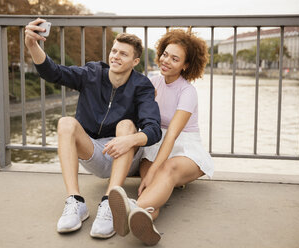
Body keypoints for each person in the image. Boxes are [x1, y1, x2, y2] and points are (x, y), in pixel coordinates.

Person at [24, 18, 161, 239]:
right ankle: (75, 202)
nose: (116, 56)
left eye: (123, 54)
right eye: (114, 51)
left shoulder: (142, 85)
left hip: (125, 154)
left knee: (126, 125)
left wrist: (130, 140)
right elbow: (53, 72)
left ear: (135, 61)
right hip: (94, 152)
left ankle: (109, 203)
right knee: (65, 123)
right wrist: (32, 45)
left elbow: (154, 128)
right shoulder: (92, 73)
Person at [108, 29, 214, 245]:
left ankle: (131, 208)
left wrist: (154, 169)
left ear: (185, 65)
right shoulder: (153, 83)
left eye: (175, 59)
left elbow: (173, 135)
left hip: (184, 148)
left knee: (166, 170)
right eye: (165, 54)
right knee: (149, 192)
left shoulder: (187, 92)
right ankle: (143, 218)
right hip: (156, 145)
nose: (166, 61)